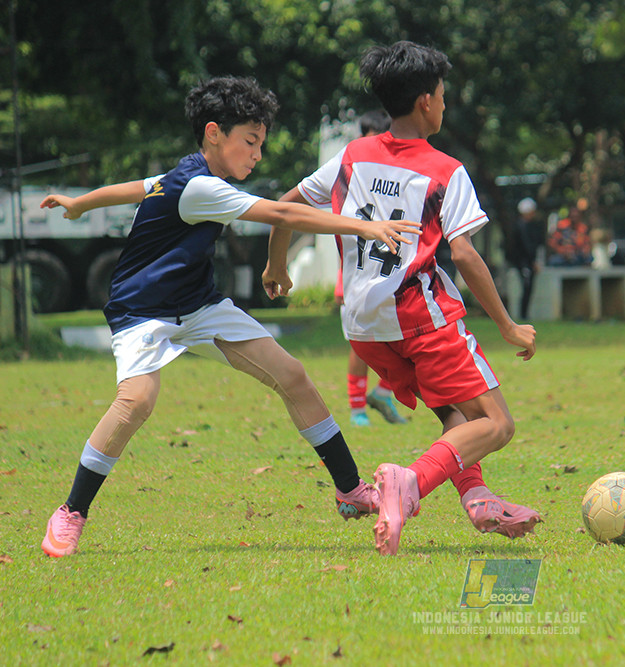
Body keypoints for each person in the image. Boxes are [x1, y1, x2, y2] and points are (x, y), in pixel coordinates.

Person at [37, 76, 421, 557]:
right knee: (136, 402)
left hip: (200, 306)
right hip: (144, 311)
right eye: (251, 142)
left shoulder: (186, 174)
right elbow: (285, 215)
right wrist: (366, 225)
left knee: (292, 375)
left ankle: (349, 488)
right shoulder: (201, 187)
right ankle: (71, 511)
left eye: (261, 143)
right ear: (214, 133)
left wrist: (80, 202)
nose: (257, 154)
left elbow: (136, 188)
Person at [263, 40, 541, 555]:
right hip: (422, 319)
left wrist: (276, 264)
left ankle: (477, 498)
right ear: (425, 102)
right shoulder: (445, 169)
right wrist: (506, 325)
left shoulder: (354, 155)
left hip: (365, 328)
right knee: (497, 423)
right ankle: (407, 482)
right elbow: (464, 255)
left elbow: (284, 209)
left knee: (453, 415)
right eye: (442, 94)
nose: (444, 103)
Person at [340, 108, 408, 427]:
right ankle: (357, 408)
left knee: (399, 340)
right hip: (358, 271)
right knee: (362, 342)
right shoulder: (348, 167)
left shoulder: (395, 171)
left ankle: (383, 393)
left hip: (390, 270)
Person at [507, 197, 544, 320]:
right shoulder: (522, 226)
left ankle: (524, 314)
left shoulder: (526, 225)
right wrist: (533, 261)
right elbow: (527, 246)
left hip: (525, 262)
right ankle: (523, 315)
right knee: (527, 287)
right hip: (524, 262)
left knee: (528, 288)